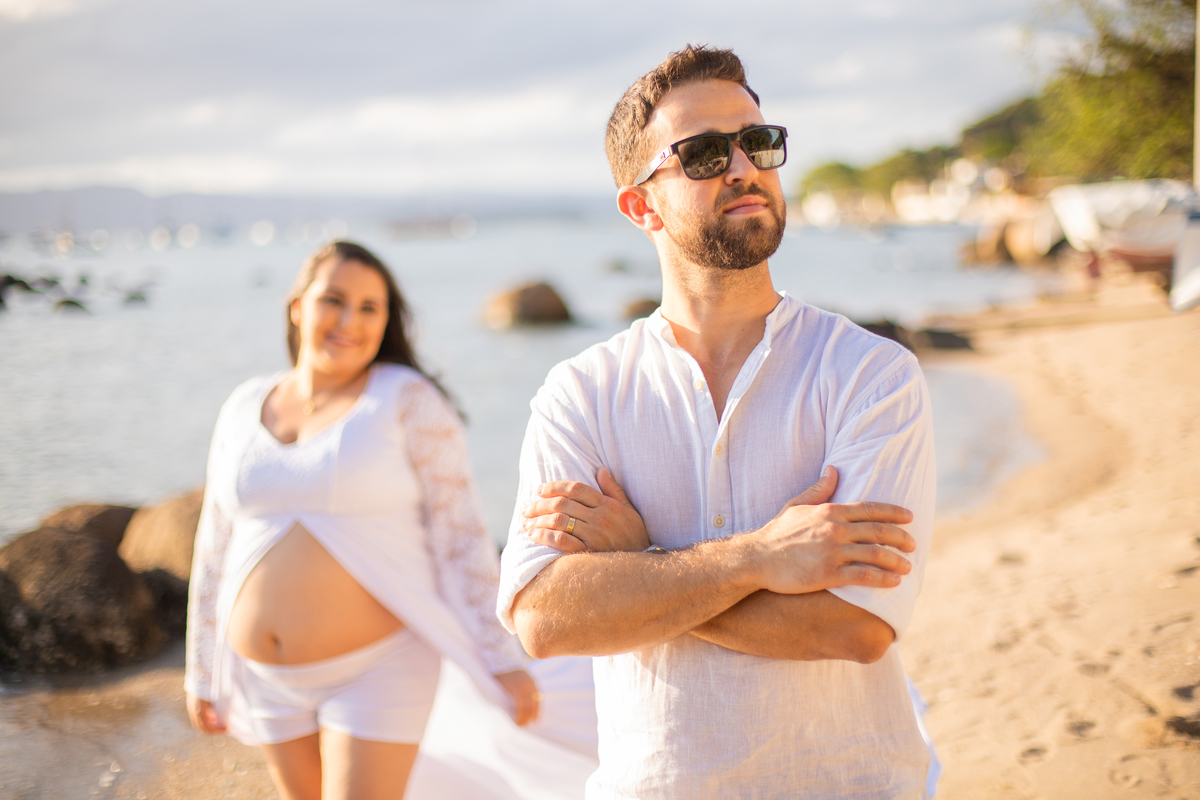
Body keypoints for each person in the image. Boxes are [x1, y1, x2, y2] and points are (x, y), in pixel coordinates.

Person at [498, 45, 938, 799]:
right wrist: (760, 558)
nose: (743, 167)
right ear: (641, 205)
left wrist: (641, 561)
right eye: (702, 154)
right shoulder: (582, 392)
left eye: (758, 142)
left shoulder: (871, 374)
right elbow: (544, 618)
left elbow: (855, 629)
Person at [184, 241, 542, 800]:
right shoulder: (243, 404)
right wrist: (202, 669)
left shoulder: (407, 399)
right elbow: (214, 545)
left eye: (370, 307)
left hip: (379, 669)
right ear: (297, 306)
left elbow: (462, 536)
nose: (350, 320)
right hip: (266, 680)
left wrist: (502, 657)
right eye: (334, 300)